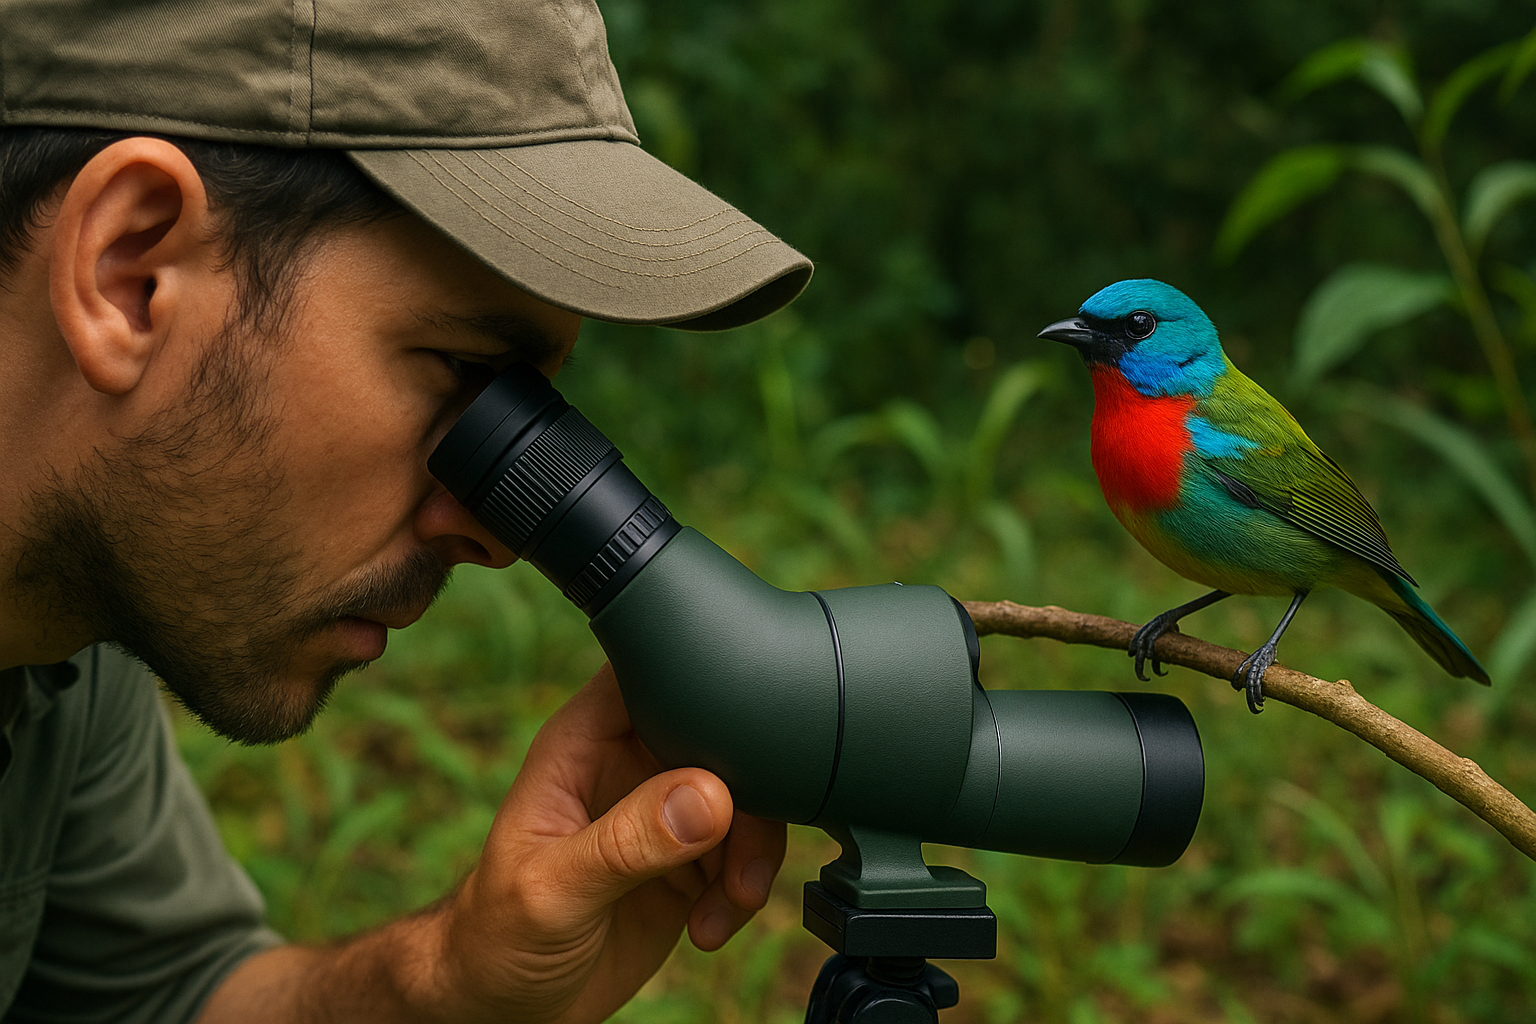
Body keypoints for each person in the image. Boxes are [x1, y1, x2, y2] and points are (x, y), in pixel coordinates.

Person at [0, 0, 813, 1020]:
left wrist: (443, 986)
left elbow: (161, 997)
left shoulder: (58, 632)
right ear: (132, 270)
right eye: (463, 375)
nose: (491, 531)